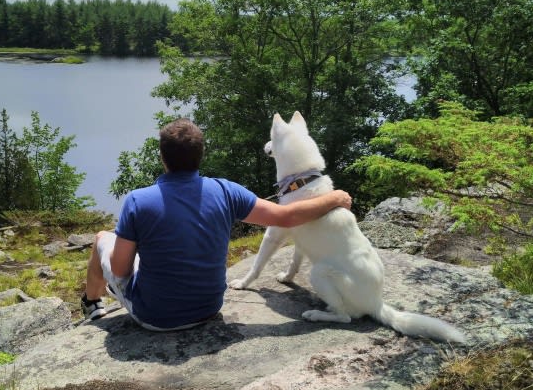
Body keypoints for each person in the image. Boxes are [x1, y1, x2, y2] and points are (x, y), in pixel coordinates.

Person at [81, 118, 352, 330]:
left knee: (103, 238)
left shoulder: (137, 201)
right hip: (209, 309)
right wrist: (333, 198)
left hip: (154, 318)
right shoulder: (226, 191)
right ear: (201, 154)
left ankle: (92, 304)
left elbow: (118, 270)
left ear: (162, 157)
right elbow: (286, 216)